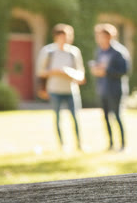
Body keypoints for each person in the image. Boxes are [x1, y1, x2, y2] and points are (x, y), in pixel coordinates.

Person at [36, 24, 86, 151]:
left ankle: (79, 144)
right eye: (63, 36)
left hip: (71, 90)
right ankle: (62, 145)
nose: (66, 39)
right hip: (55, 90)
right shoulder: (48, 52)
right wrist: (54, 71)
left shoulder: (74, 52)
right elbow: (40, 72)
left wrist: (68, 72)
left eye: (68, 36)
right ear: (56, 37)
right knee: (57, 118)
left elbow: (81, 73)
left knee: (75, 117)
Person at [91, 23, 130, 152]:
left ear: (109, 37)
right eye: (98, 37)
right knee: (106, 117)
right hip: (102, 89)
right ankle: (111, 144)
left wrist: (106, 71)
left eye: (102, 36)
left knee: (117, 116)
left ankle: (123, 144)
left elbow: (124, 71)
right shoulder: (99, 51)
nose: (99, 39)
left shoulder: (119, 52)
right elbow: (98, 67)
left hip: (115, 89)